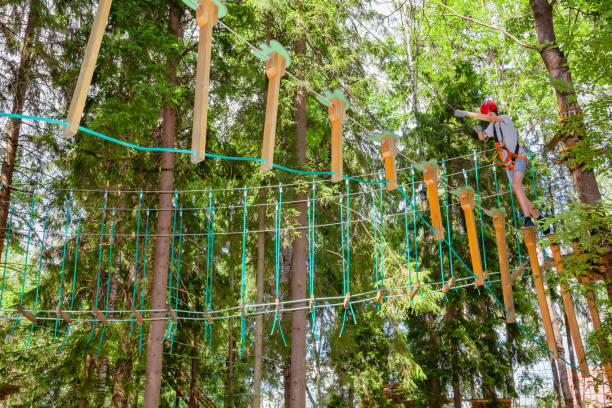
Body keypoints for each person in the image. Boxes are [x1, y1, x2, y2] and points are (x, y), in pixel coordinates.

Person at [455, 100, 549, 233]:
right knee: (518, 191)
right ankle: (539, 218)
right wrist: (479, 132)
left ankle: (528, 220)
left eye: (488, 114)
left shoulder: (505, 119)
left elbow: (489, 118)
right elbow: (483, 137)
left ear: (493, 112)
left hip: (519, 158)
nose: (488, 118)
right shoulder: (492, 126)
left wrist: (466, 113)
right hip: (508, 164)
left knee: (517, 186)